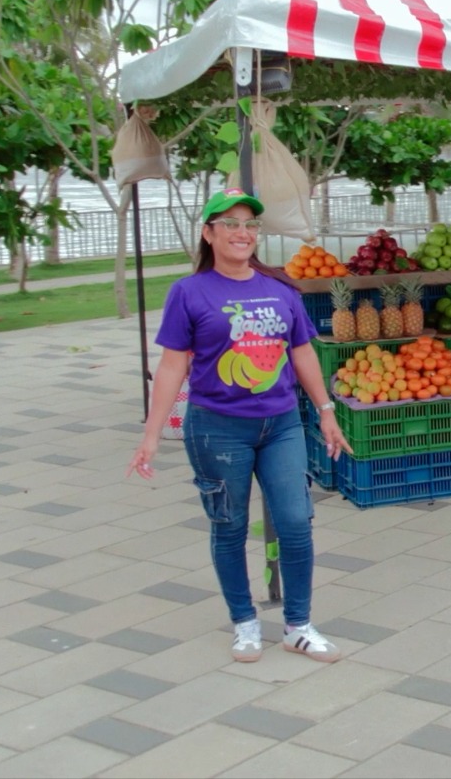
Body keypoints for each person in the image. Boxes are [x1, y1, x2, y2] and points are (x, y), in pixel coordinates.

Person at [128, 188, 354, 663]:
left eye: (249, 224)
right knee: (229, 527)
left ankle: (298, 625)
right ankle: (245, 622)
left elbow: (302, 352)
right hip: (217, 429)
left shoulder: (280, 289)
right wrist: (150, 435)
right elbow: (172, 367)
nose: (241, 232)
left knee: (296, 523)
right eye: (229, 223)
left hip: (282, 426)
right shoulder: (188, 293)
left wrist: (327, 411)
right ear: (209, 234)